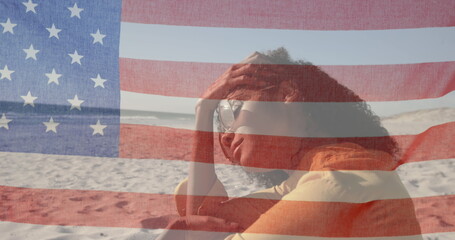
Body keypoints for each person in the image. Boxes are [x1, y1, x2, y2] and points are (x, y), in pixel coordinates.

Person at [157, 48, 422, 240]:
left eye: (233, 110)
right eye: (222, 123)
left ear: (286, 94)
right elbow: (203, 222)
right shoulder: (306, 178)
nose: (225, 135)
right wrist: (203, 111)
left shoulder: (339, 180)